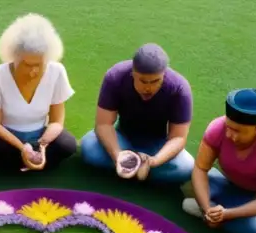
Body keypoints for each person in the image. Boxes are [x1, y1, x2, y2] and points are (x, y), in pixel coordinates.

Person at [182, 88, 256, 233]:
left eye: (238, 131)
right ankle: (214, 212)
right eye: (228, 126)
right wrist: (207, 209)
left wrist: (227, 214)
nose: (229, 135)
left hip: (255, 197)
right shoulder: (217, 128)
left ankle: (232, 215)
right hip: (223, 183)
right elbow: (200, 169)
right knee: (187, 179)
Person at [80, 44, 194, 184]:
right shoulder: (115, 76)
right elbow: (103, 124)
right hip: (122, 138)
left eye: (155, 81)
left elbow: (178, 138)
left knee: (186, 167)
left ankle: (139, 168)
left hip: (157, 145)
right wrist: (118, 156)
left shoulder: (179, 88)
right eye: (143, 81)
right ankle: (138, 170)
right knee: (89, 148)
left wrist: (154, 161)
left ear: (164, 74)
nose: (148, 87)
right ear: (133, 73)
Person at [0, 14, 76, 173]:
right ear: (13, 57)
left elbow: (57, 121)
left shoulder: (57, 71)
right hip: (7, 138)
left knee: (67, 145)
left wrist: (43, 144)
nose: (33, 72)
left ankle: (24, 164)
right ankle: (26, 163)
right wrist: (23, 148)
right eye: (27, 65)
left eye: (39, 65)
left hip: (40, 135)